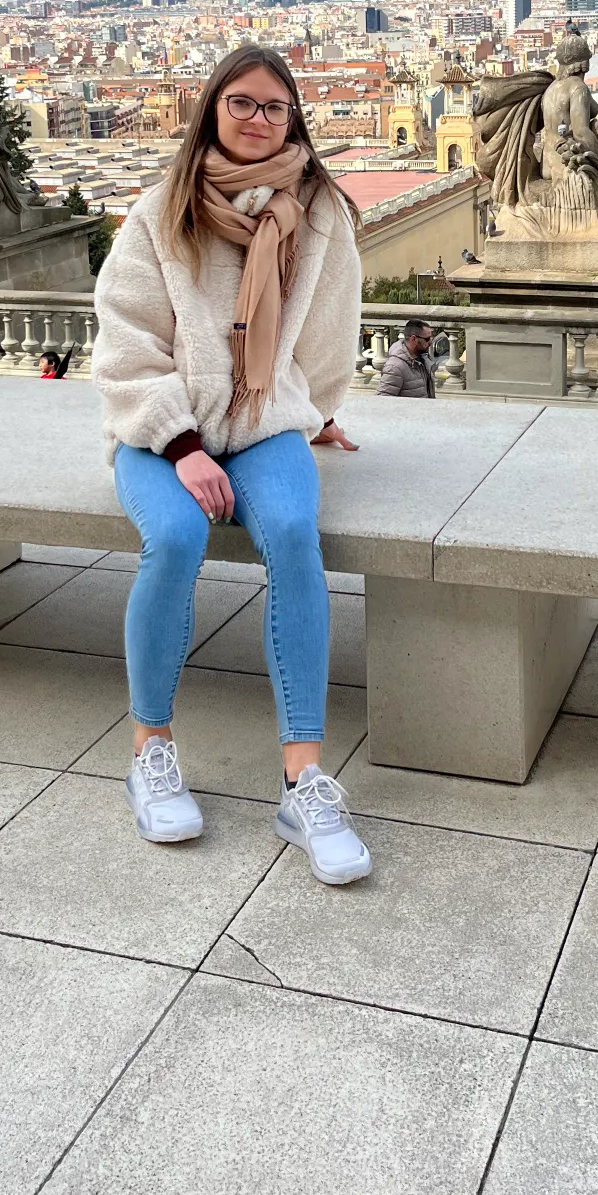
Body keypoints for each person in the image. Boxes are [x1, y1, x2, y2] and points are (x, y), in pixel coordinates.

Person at [91, 46, 371, 884]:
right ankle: (151, 749)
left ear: (296, 120)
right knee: (174, 537)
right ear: (211, 108)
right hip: (158, 429)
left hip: (263, 421)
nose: (257, 120)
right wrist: (179, 444)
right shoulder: (160, 210)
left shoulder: (319, 214)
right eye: (242, 103)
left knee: (291, 530)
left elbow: (328, 333)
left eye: (275, 108)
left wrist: (315, 414)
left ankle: (304, 780)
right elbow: (125, 341)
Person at [377, 318, 436, 397]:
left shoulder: (422, 359)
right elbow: (382, 401)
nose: (430, 342)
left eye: (431, 338)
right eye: (427, 339)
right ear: (413, 339)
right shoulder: (394, 367)